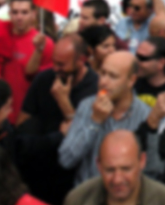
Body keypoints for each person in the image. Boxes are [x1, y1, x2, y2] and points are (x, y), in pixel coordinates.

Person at [17, 34, 99, 205]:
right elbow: (23, 119)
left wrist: (64, 102)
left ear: (81, 60)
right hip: (37, 168)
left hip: (70, 175)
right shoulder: (44, 79)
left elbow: (85, 136)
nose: (55, 69)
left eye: (61, 64)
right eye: (54, 62)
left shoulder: (96, 88)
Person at [58, 51, 151, 185]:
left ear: (131, 80)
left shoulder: (145, 115)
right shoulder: (87, 106)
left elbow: (150, 170)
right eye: (102, 73)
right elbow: (66, 159)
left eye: (113, 76)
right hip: (89, 196)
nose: (103, 82)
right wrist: (94, 121)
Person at [61, 130, 165, 205]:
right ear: (98, 165)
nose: (117, 179)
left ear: (142, 161)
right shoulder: (77, 203)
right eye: (110, 170)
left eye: (126, 169)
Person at [0, 0, 54, 123]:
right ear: (9, 14)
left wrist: (39, 49)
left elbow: (43, 82)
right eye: (15, 12)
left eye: (24, 12)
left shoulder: (46, 43)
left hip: (27, 112)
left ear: (33, 14)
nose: (19, 17)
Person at [134, 36, 165, 106]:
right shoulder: (132, 80)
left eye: (142, 58)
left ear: (161, 63)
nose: (136, 61)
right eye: (136, 55)